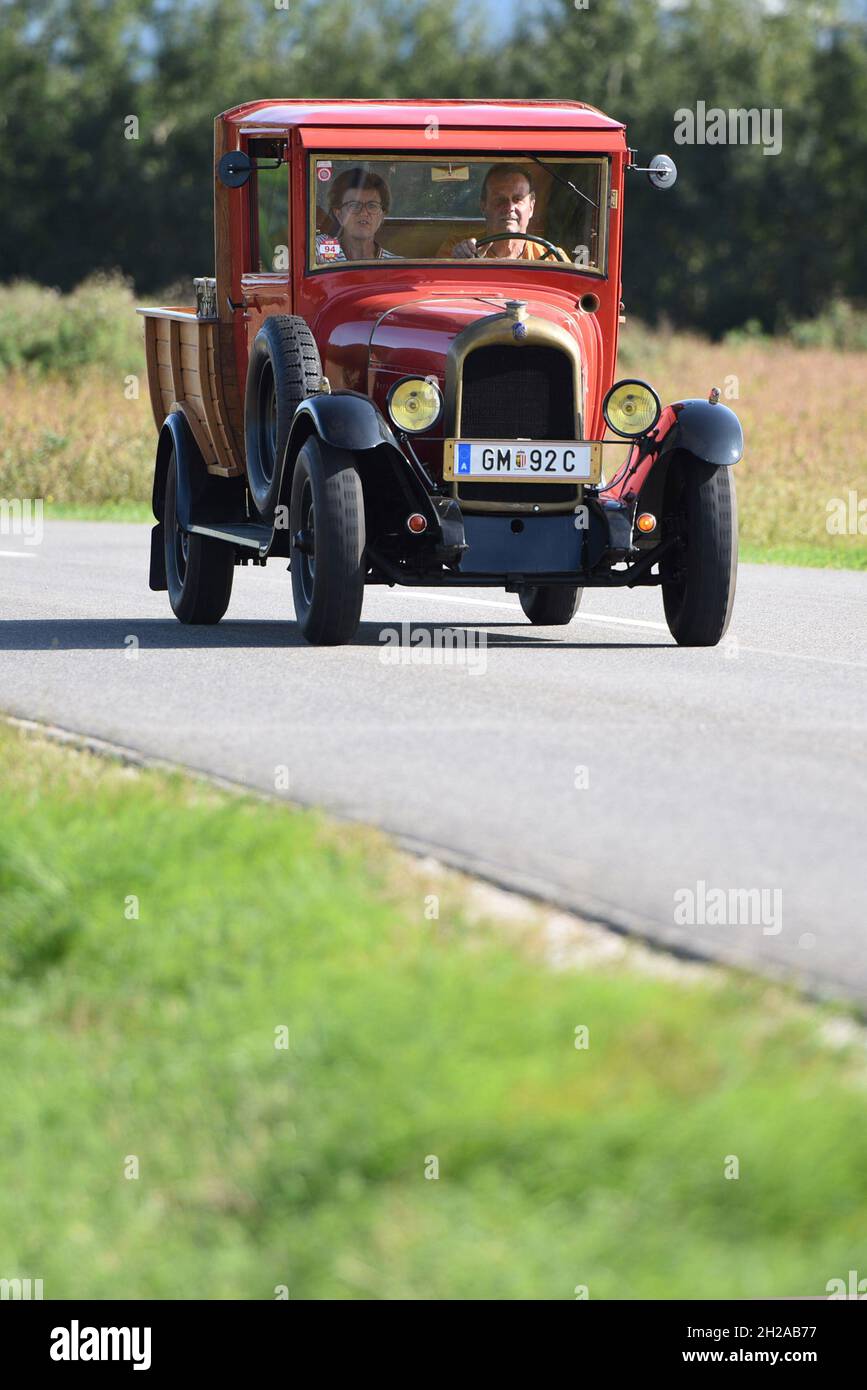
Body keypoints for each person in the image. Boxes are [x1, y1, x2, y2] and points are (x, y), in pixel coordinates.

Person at [436, 164, 565, 261]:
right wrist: (464, 266)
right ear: (483, 206)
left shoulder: (552, 257)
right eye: (500, 200)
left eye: (517, 199)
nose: (509, 207)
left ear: (531, 207)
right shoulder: (458, 250)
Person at [315, 168, 400, 262]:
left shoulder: (396, 264)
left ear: (382, 215)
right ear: (338, 214)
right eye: (354, 205)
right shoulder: (320, 249)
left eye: (372, 206)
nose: (364, 213)